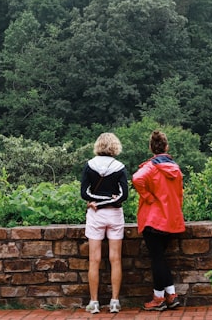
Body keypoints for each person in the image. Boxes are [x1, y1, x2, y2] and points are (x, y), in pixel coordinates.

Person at [132, 129, 185, 311]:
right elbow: (179, 194)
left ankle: (159, 298)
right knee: (160, 258)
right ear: (166, 146)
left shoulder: (150, 167)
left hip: (153, 219)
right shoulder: (175, 168)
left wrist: (147, 197)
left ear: (151, 147)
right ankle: (170, 295)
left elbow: (136, 178)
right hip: (170, 218)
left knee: (157, 259)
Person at [81, 132, 129, 314]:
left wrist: (97, 203)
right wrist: (111, 200)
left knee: (94, 260)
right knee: (115, 259)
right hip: (115, 215)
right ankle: (115, 301)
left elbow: (84, 193)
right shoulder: (120, 167)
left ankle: (94, 302)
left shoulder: (89, 166)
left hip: (95, 215)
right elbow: (124, 195)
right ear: (115, 146)